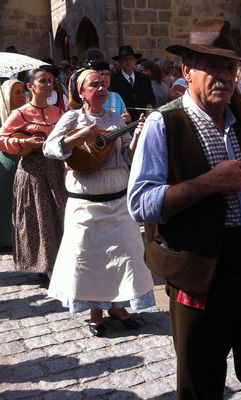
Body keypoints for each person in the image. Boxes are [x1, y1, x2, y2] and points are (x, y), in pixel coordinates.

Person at [127, 19, 241, 399]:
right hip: (198, 270)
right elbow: (140, 203)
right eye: (211, 66)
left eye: (229, 67)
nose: (223, 76)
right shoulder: (165, 124)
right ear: (187, 71)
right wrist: (207, 183)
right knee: (201, 383)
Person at [42, 68, 155, 337]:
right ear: (81, 92)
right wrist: (78, 137)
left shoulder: (116, 117)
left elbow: (128, 155)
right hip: (85, 204)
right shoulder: (72, 117)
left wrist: (138, 133)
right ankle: (96, 312)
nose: (101, 89)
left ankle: (117, 306)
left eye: (103, 84)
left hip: (118, 200)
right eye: (94, 85)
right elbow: (49, 148)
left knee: (125, 255)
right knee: (90, 259)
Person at [0, 69, 66, 277]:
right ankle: (44, 266)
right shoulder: (20, 114)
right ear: (31, 87)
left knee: (60, 215)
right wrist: (24, 142)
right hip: (33, 171)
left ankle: (62, 262)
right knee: (39, 218)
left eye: (50, 81)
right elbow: (2, 140)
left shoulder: (58, 113)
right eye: (43, 81)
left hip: (55, 169)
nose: (48, 84)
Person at [0, 79, 27, 249]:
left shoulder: (28, 113)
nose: (22, 96)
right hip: (5, 163)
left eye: (23, 91)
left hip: (24, 160)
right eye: (16, 92)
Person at [82, 48, 132, 123]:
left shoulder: (116, 96)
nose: (104, 77)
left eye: (107, 74)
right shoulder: (90, 96)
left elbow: (126, 116)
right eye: (101, 74)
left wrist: (127, 118)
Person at [109, 45, 155, 120]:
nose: (128, 61)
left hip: (144, 120)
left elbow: (151, 97)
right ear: (120, 62)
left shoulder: (144, 78)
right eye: (125, 59)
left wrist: (150, 105)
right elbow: (113, 102)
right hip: (125, 122)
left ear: (135, 61)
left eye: (130, 58)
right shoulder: (113, 80)